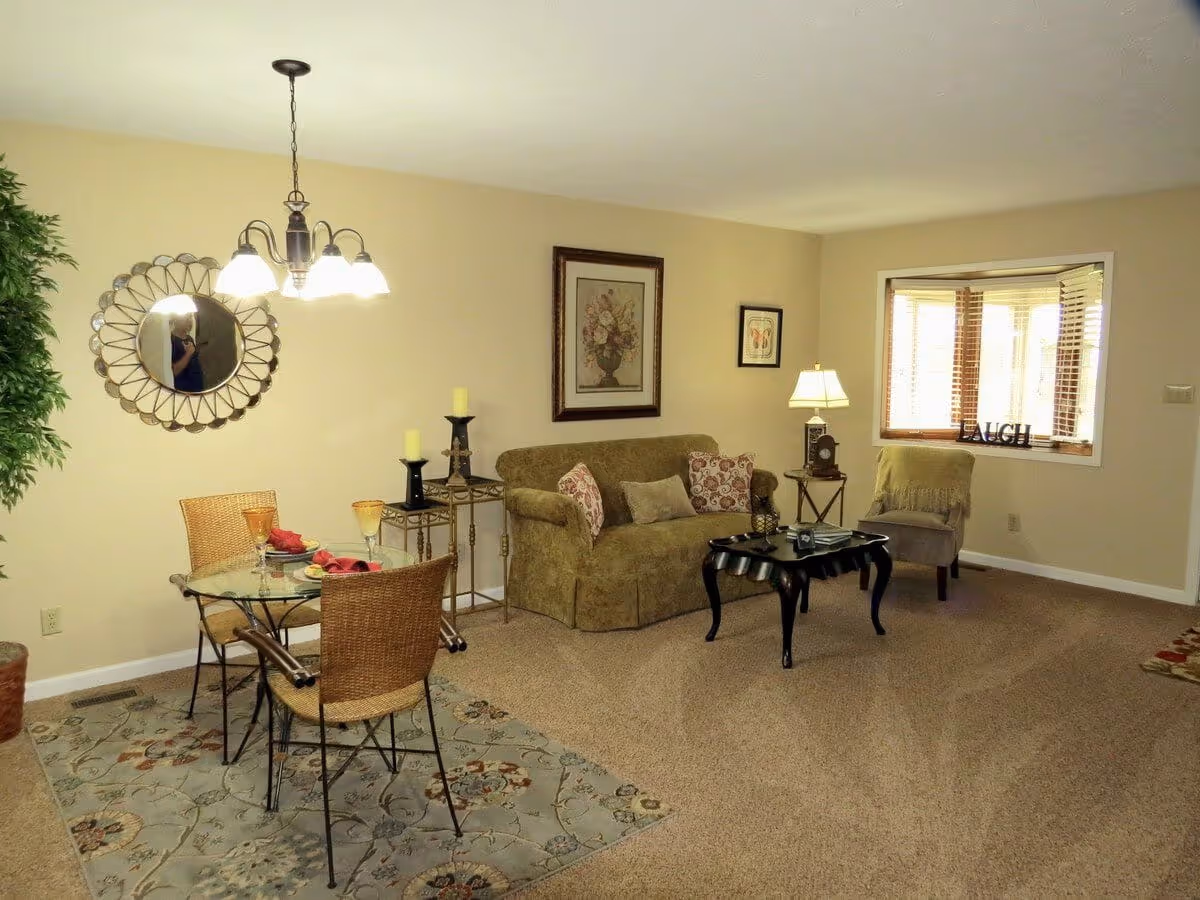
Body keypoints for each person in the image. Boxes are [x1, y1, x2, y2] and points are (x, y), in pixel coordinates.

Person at [170, 313, 204, 392]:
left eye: (190, 317)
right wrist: (188, 353)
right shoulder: (171, 341)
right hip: (184, 390)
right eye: (185, 317)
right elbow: (173, 371)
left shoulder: (189, 338)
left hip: (197, 387)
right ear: (176, 320)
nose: (189, 321)